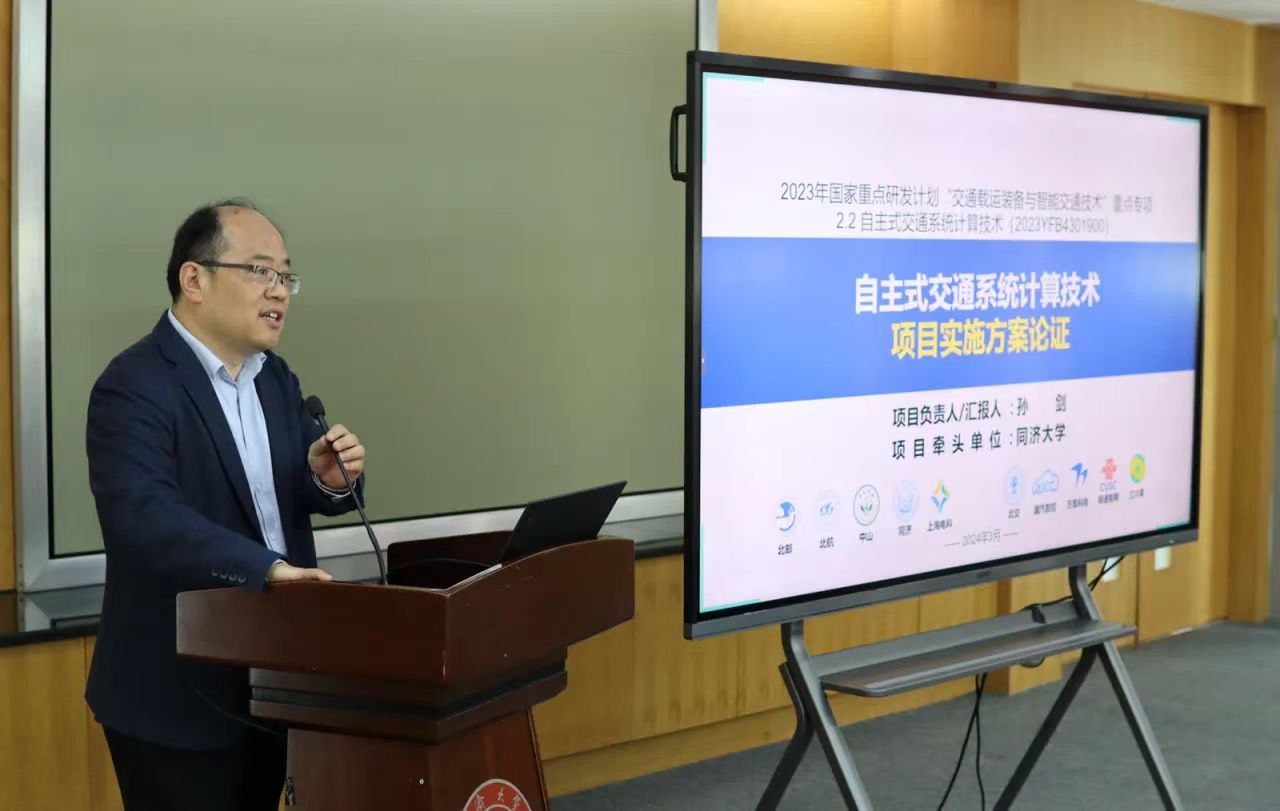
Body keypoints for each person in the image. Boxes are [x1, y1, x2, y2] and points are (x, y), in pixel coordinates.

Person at [84, 200, 367, 810]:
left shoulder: (275, 378)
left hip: (273, 679)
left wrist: (325, 480)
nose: (280, 291)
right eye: (261, 271)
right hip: (176, 695)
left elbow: (283, 495)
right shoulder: (134, 384)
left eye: (286, 276)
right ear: (195, 279)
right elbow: (143, 519)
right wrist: (266, 569)